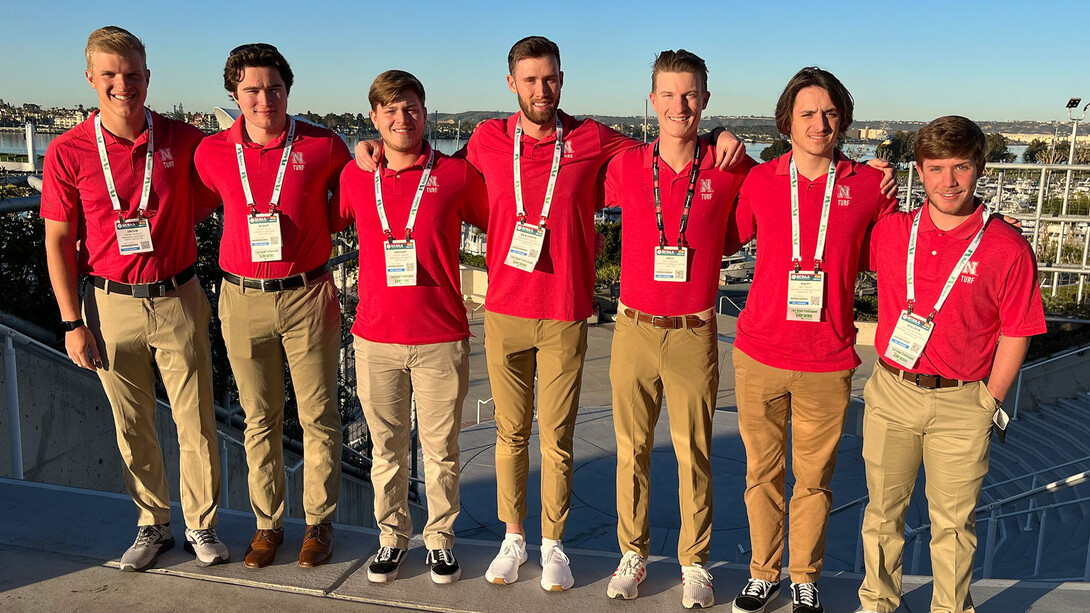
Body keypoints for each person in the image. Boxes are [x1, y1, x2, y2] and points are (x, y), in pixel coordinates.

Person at [355, 35, 746, 592]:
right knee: (510, 433)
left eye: (551, 78)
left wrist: (717, 134)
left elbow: (669, 140)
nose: (542, 89)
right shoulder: (487, 139)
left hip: (564, 309)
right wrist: (369, 145)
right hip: (504, 311)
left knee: (556, 436)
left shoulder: (592, 138)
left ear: (562, 80)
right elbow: (423, 164)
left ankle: (553, 543)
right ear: (512, 83)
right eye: (531, 80)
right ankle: (514, 539)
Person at [42, 25, 227, 571]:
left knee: (194, 421)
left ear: (148, 77)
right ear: (91, 79)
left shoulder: (183, 138)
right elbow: (56, 239)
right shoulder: (67, 151)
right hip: (108, 302)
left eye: (133, 75)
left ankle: (202, 525)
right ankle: (153, 526)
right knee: (132, 422)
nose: (124, 85)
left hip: (179, 294)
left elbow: (231, 176)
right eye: (111, 76)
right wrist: (71, 321)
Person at [856, 116, 1046, 613]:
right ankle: (878, 603)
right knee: (881, 515)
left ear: (979, 168)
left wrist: (989, 401)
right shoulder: (893, 231)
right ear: (919, 171)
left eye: (960, 167)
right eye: (936, 168)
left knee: (954, 526)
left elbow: (1018, 330)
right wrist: (863, 174)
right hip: (894, 390)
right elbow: (833, 219)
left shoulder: (1007, 245)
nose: (948, 181)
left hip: (964, 401)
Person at [726, 67, 897, 613]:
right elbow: (720, 232)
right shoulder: (761, 180)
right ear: (787, 122)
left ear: (842, 119)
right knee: (761, 476)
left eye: (828, 113)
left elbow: (897, 255)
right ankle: (762, 571)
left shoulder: (870, 187)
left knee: (815, 480)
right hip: (759, 352)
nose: (819, 123)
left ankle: (804, 575)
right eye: (807, 113)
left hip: (828, 358)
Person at [602, 49, 755, 608]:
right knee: (631, 449)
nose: (679, 105)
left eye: (690, 94)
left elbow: (774, 201)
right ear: (652, 100)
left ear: (706, 100)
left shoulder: (730, 166)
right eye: (668, 94)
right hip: (634, 328)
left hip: (694, 331)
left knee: (694, 451)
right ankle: (633, 553)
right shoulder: (626, 165)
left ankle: (696, 562)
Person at [194, 43, 351, 569]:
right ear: (235, 95)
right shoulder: (211, 153)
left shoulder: (324, 145)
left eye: (275, 88)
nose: (265, 100)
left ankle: (318, 524)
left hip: (309, 293)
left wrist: (373, 151)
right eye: (253, 90)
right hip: (241, 298)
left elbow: (350, 206)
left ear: (288, 89)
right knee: (259, 418)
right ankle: (267, 525)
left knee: (319, 416)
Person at [338, 70, 488, 585]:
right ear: (375, 117)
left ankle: (440, 540)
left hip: (441, 336)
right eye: (391, 110)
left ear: (426, 113)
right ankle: (391, 537)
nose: (403, 118)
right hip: (375, 338)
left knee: (442, 449)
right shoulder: (356, 175)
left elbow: (505, 220)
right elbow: (325, 223)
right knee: (387, 449)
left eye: (412, 108)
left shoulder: (455, 175)